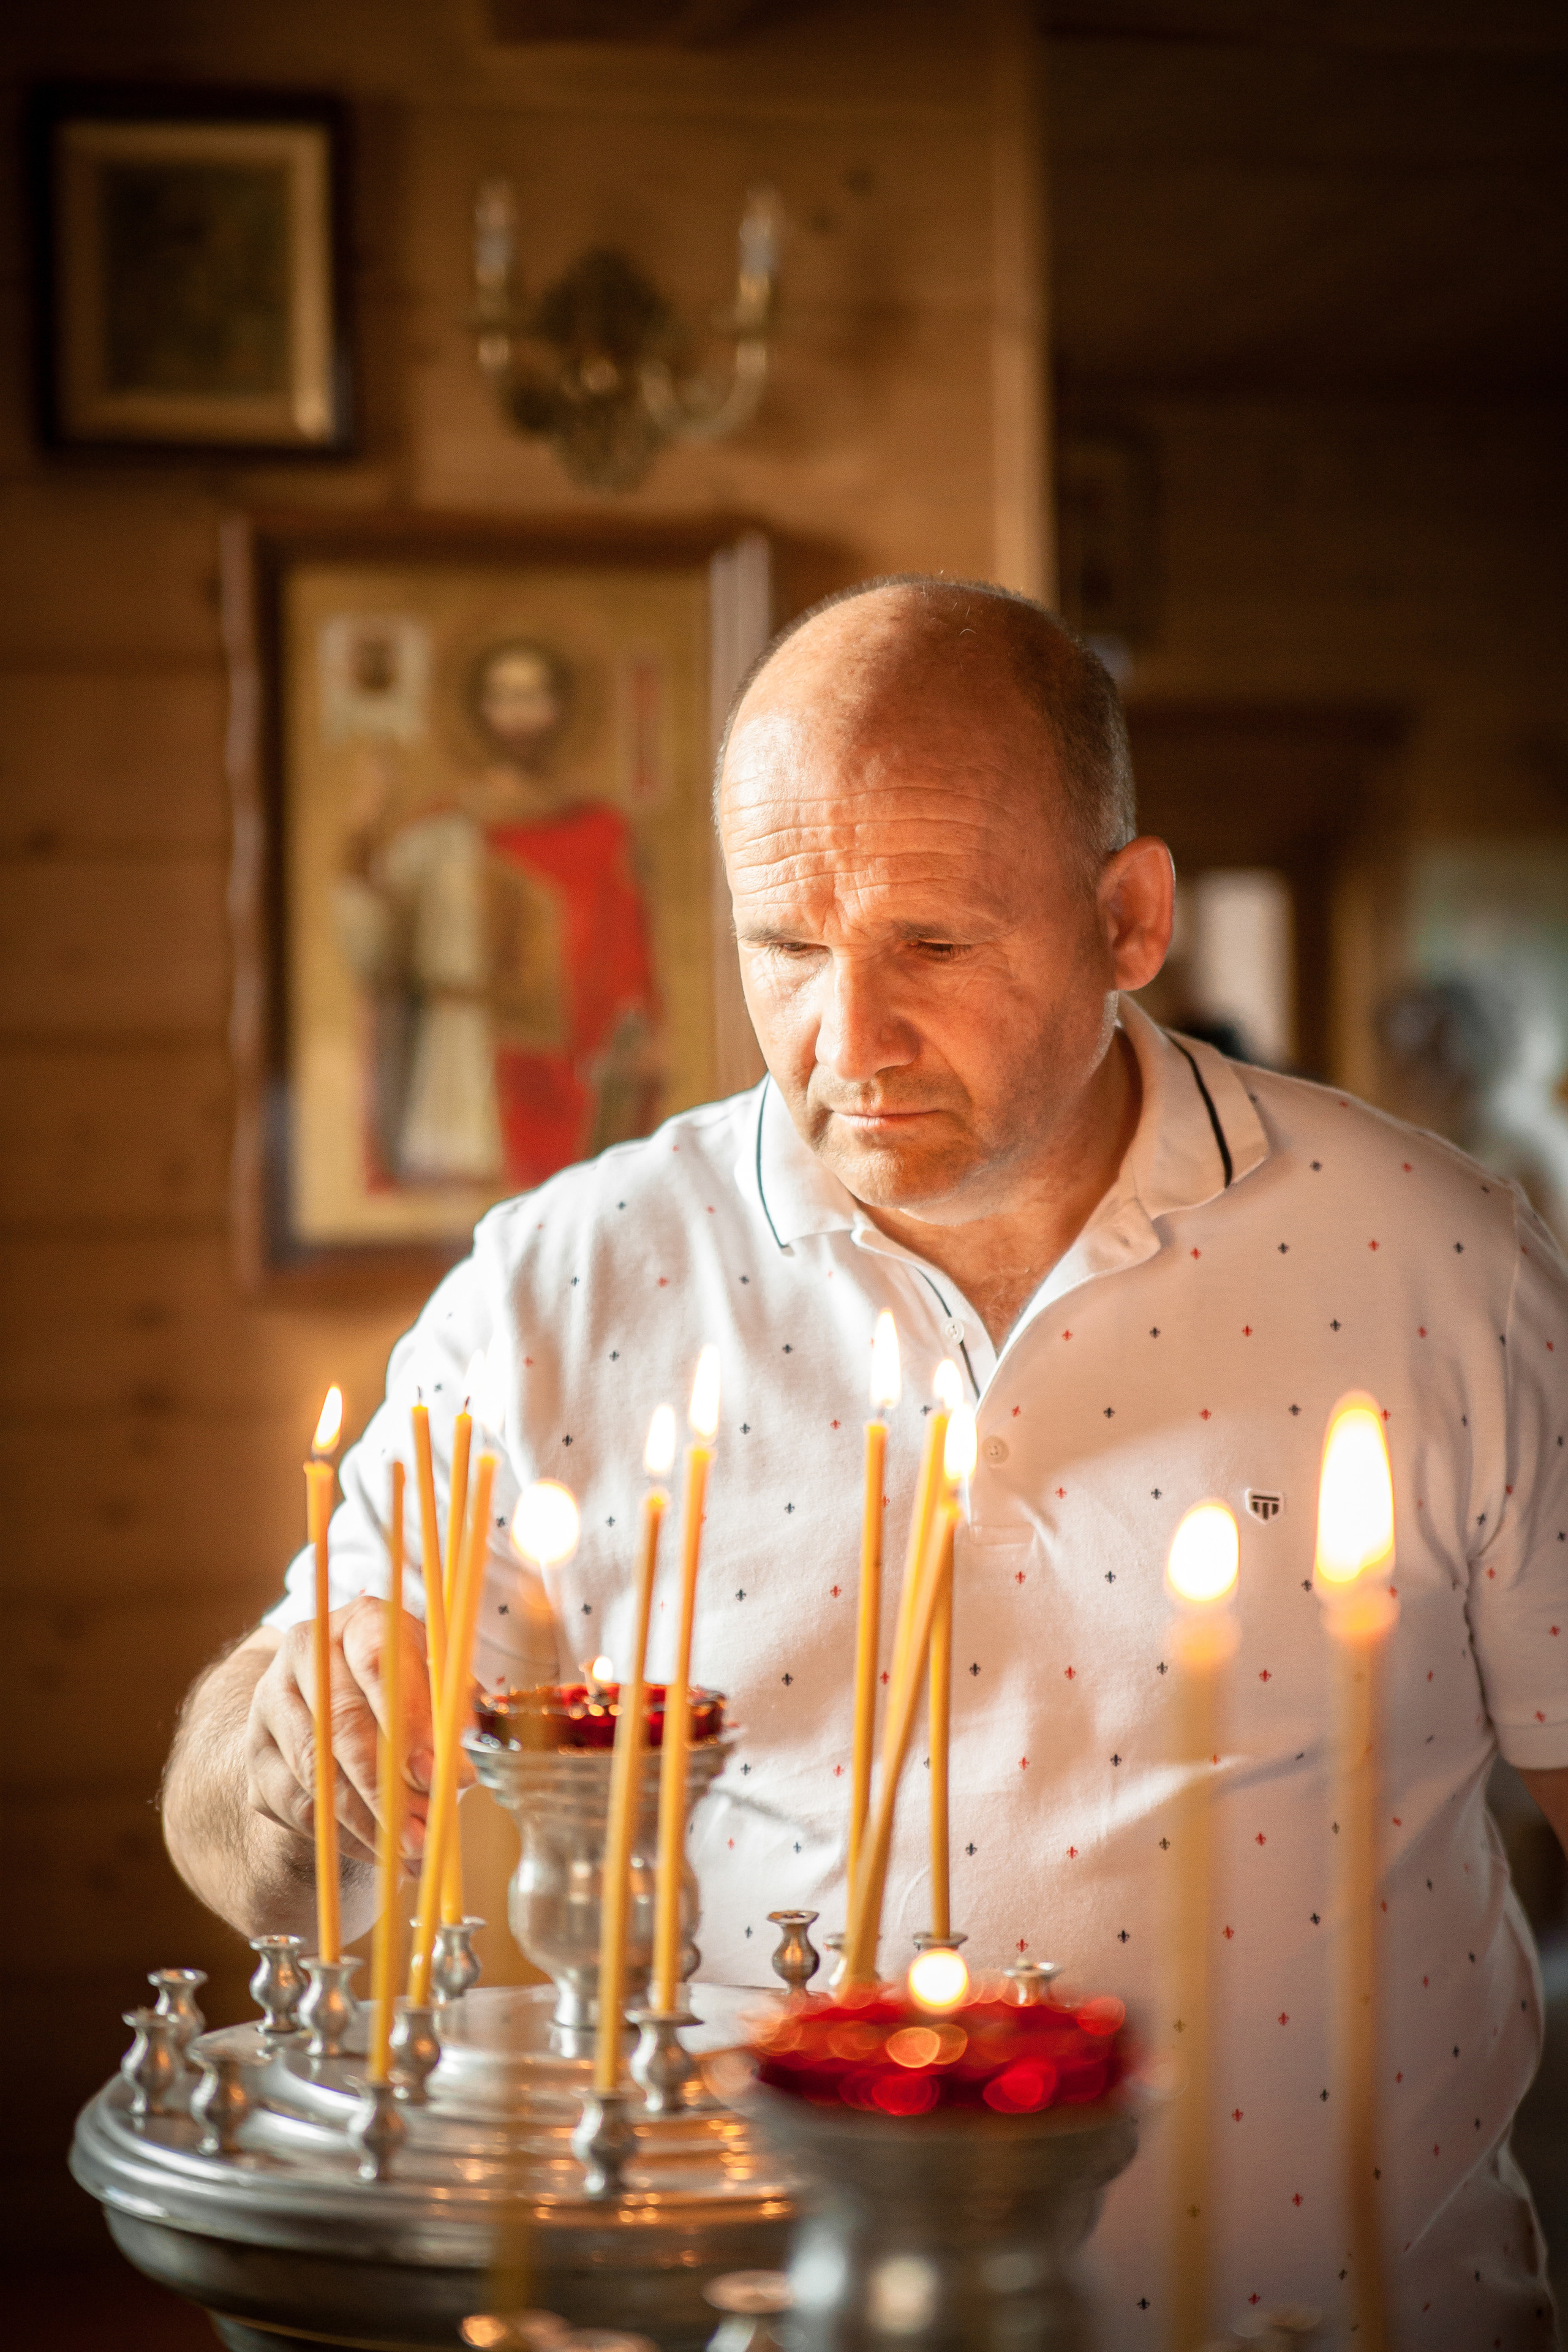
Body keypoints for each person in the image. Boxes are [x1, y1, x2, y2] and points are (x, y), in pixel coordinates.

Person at [164, 578, 1568, 2343]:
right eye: (789, 947)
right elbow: (253, 1857)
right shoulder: (565, 1280)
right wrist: (315, 1745)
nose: (850, 1038)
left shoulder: (1436, 1263)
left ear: (1129, 918)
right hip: (739, 2314)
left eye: (936, 943)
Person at [333, 637, 661, 1191]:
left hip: (565, 1073)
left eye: (533, 696)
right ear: (481, 711)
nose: (520, 714)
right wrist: (362, 842)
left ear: (560, 709)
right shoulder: (438, 831)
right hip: (456, 1062)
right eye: (505, 696)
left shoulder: (600, 833)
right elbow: (376, 955)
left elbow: (628, 961)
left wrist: (632, 1039)